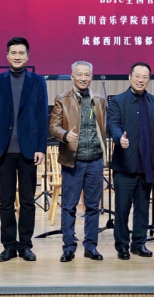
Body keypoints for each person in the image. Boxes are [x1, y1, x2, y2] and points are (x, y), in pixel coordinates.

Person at [0, 37, 48, 263]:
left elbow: (42, 115)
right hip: (4, 149)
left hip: (29, 150)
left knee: (28, 201)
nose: (17, 56)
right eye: (13, 52)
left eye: (21, 53)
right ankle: (9, 246)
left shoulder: (38, 81)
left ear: (28, 56)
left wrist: (41, 148)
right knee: (6, 202)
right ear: (7, 55)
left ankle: (25, 245)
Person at [49, 60, 107, 262]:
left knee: (93, 207)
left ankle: (90, 246)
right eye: (79, 75)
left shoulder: (99, 100)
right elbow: (53, 126)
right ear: (72, 77)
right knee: (69, 206)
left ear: (92, 77)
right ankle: (68, 247)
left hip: (95, 161)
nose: (83, 78)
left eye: (87, 75)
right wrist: (65, 135)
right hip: (73, 161)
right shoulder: (62, 99)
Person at [106, 61, 154, 260]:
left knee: (143, 208)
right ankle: (122, 245)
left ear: (149, 80)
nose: (140, 80)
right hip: (125, 165)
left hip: (147, 165)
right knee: (122, 209)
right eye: (137, 76)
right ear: (130, 77)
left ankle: (139, 244)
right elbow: (112, 124)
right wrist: (119, 138)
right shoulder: (118, 101)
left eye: (145, 77)